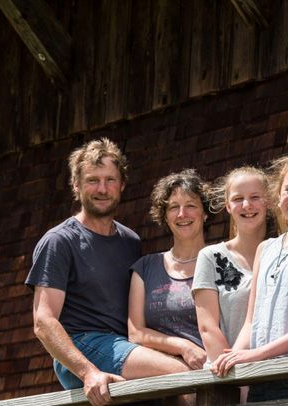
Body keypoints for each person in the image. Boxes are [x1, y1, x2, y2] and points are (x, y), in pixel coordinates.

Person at [25, 138, 190, 406]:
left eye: (110, 180)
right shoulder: (59, 241)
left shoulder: (130, 241)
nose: (102, 189)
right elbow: (43, 322)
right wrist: (88, 372)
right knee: (183, 376)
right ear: (76, 186)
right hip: (81, 346)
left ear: (121, 185)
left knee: (172, 391)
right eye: (92, 180)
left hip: (124, 347)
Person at [212, 154, 288, 402]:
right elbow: (251, 322)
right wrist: (231, 358)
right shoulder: (265, 248)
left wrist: (257, 354)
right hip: (260, 380)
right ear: (277, 196)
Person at [128, 170, 210, 372]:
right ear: (165, 216)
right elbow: (136, 333)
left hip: (212, 369)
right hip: (163, 376)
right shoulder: (146, 267)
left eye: (191, 205)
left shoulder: (221, 260)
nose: (182, 214)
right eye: (174, 207)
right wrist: (183, 346)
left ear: (205, 213)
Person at [192, 167, 270, 363]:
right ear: (227, 206)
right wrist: (234, 379)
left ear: (268, 201)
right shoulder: (211, 257)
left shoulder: (282, 251)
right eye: (237, 199)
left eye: (255, 197)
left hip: (274, 372)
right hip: (227, 376)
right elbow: (208, 328)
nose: (247, 205)